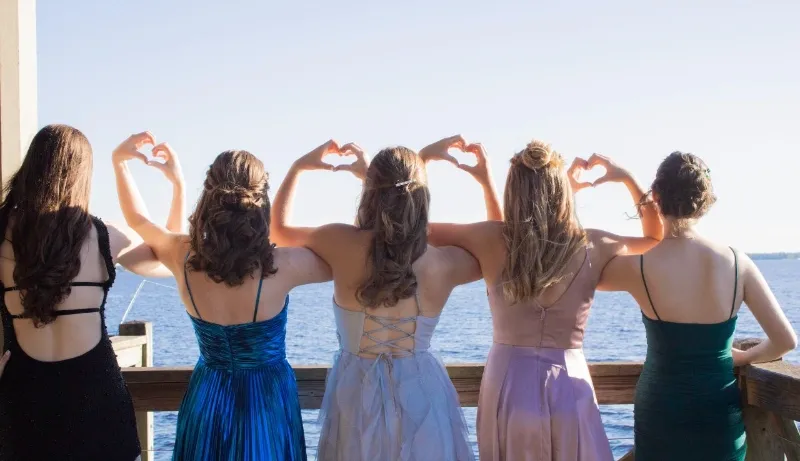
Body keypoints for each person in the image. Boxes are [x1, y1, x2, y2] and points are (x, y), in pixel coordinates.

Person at [426, 137, 663, 461]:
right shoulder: (592, 243)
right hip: (569, 386)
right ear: (561, 191)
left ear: (514, 190)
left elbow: (419, 230)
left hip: (506, 387)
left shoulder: (488, 238)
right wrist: (625, 177)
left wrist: (434, 163)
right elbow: (655, 239)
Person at [112, 132, 332, 461]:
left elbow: (137, 221)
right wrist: (298, 168)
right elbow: (346, 256)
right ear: (260, 200)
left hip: (209, 391)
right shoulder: (283, 264)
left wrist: (122, 163)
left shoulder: (181, 254)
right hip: (266, 397)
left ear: (210, 196)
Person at [270, 140, 482, 461]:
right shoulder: (443, 263)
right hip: (423, 396)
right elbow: (496, 245)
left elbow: (279, 230)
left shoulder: (339, 242)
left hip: (355, 395)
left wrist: (300, 166)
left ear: (369, 193)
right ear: (422, 199)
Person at [597, 151, 797, 460]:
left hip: (660, 413)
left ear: (657, 196)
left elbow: (593, 271)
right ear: (703, 201)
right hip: (718, 414)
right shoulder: (736, 263)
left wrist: (629, 182)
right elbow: (785, 340)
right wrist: (743, 357)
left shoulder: (638, 267)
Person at [0, 124, 172, 461]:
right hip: (97, 396)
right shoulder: (105, 236)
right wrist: (146, 173)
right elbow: (166, 257)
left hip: (23, 397)